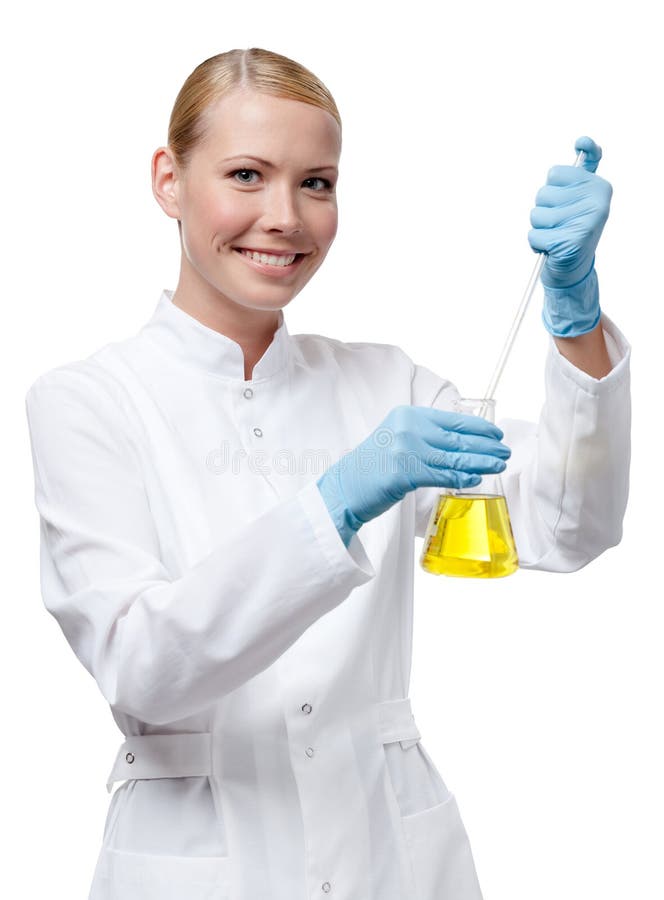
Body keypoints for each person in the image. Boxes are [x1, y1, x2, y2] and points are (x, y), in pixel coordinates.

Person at [24, 47, 630, 900]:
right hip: (197, 859)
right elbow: (142, 664)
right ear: (168, 180)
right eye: (246, 174)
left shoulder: (386, 384)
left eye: (316, 182)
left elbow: (570, 524)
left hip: (391, 855)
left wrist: (576, 318)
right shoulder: (86, 402)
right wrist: (336, 501)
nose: (286, 216)